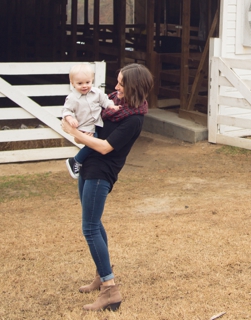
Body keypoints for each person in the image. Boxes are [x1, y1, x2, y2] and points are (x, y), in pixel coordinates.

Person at [61, 63, 153, 313]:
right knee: (94, 223)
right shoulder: (111, 102)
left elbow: (104, 147)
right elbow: (84, 114)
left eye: (121, 83)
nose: (116, 86)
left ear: (132, 87)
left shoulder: (133, 119)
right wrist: (71, 118)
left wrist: (74, 133)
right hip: (89, 166)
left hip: (102, 172)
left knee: (89, 228)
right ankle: (102, 275)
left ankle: (110, 290)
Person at [62, 64, 119, 179]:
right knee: (93, 143)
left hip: (97, 123)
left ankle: (81, 161)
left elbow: (105, 100)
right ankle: (76, 160)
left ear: (92, 80)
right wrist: (70, 118)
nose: (84, 86)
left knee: (95, 142)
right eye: (80, 83)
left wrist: (111, 106)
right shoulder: (72, 98)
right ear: (72, 83)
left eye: (87, 82)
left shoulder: (96, 93)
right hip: (84, 126)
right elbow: (66, 111)